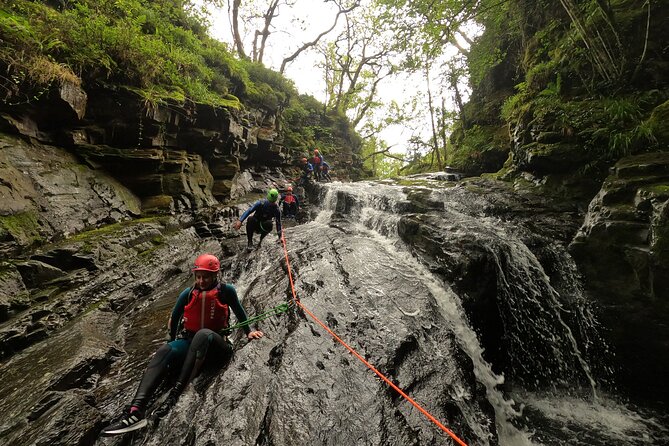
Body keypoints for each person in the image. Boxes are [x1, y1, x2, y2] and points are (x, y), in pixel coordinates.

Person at [101, 254, 264, 436]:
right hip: (190, 342)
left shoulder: (227, 291)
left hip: (216, 345)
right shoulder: (187, 294)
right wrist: (171, 342)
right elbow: (176, 317)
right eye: (199, 276)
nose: (202, 281)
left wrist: (249, 330)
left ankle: (173, 396)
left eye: (206, 277)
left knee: (203, 335)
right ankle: (136, 411)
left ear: (215, 275)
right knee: (165, 350)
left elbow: (239, 312)